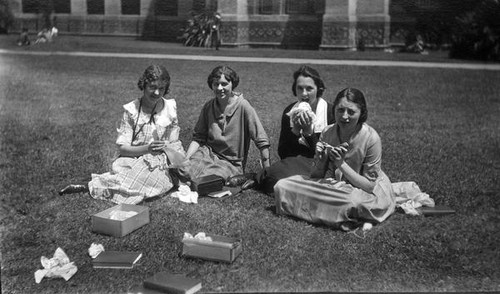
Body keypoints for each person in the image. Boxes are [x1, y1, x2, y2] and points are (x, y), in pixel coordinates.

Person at [58, 65, 187, 204]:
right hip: (135, 157)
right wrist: (148, 149)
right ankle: (91, 185)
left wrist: (167, 148)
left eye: (161, 88)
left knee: (155, 179)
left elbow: (174, 139)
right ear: (143, 85)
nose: (157, 92)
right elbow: (123, 149)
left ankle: (102, 182)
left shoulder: (170, 108)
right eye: (152, 87)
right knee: (139, 178)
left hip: (164, 159)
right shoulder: (132, 111)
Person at [274, 88, 396, 231]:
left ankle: (326, 212)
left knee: (352, 201)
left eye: (351, 112)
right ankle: (340, 216)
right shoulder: (328, 132)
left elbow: (369, 186)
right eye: (340, 110)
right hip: (335, 187)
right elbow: (316, 176)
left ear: (361, 113)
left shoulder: (371, 138)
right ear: (335, 110)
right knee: (282, 185)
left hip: (364, 191)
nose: (344, 116)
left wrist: (341, 164)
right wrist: (320, 160)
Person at [256, 66, 334, 193]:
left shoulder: (330, 112)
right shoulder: (290, 111)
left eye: (309, 89)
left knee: (280, 178)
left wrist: (309, 133)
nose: (304, 94)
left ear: (318, 89)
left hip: (321, 166)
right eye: (300, 88)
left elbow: (327, 157)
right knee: (280, 174)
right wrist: (296, 130)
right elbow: (284, 154)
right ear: (295, 89)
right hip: (294, 163)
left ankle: (260, 178)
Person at [184, 65, 270, 181]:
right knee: (184, 170)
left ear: (232, 84)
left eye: (224, 84)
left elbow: (261, 140)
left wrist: (268, 172)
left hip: (230, 163)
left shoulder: (243, 106)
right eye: (216, 84)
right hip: (206, 155)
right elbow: (198, 137)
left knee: (206, 179)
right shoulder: (209, 106)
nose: (220, 88)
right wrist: (186, 159)